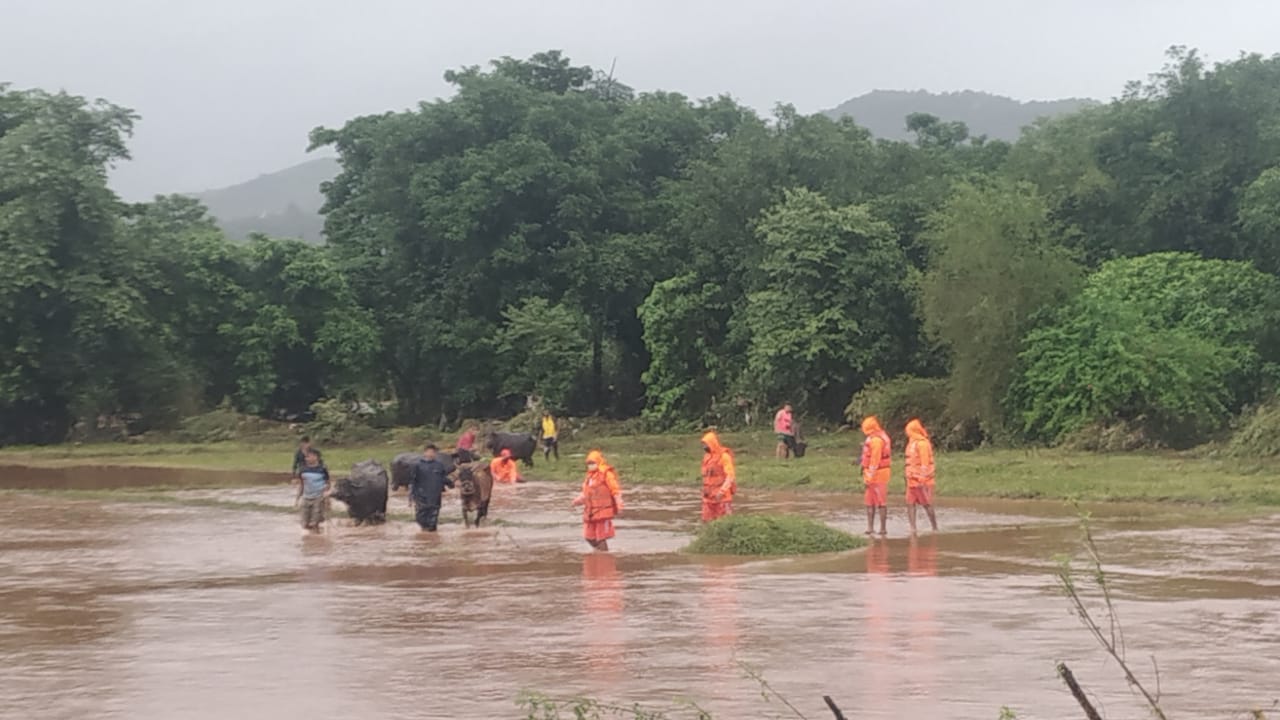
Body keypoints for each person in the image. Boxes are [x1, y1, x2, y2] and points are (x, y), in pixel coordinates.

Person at [572, 450, 623, 551]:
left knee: (601, 537)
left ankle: (604, 557)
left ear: (599, 462)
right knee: (588, 537)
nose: (590, 465)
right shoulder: (589, 477)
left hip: (603, 510)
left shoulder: (606, 474)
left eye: (592, 463)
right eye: (589, 463)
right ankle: (600, 553)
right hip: (591, 511)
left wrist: (619, 503)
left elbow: (615, 490)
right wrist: (576, 501)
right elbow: (586, 493)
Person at [408, 444, 454, 532]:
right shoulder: (417, 465)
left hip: (435, 495)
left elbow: (443, 477)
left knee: (433, 518)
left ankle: (432, 535)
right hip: (421, 495)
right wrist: (411, 496)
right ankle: (424, 531)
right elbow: (412, 481)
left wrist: (451, 484)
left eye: (433, 452)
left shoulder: (439, 465)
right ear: (424, 453)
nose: (431, 454)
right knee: (420, 517)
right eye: (429, 452)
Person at [904, 418, 939, 534]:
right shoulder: (912, 443)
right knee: (910, 503)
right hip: (911, 480)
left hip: (922, 480)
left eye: (909, 430)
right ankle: (913, 528)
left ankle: (934, 527)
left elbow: (925, 462)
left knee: (927, 504)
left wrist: (923, 477)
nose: (907, 433)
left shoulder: (923, 444)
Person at [860, 416, 891, 537]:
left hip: (879, 474)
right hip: (872, 473)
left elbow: (875, 460)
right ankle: (870, 528)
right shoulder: (875, 437)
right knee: (869, 501)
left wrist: (870, 475)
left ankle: (882, 528)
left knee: (881, 502)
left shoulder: (877, 440)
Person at [700, 431, 736, 522]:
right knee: (706, 522)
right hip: (708, 497)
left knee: (724, 522)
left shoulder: (724, 457)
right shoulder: (707, 457)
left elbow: (730, 476)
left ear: (712, 443)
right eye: (703, 444)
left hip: (722, 497)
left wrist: (722, 491)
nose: (704, 447)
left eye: (706, 444)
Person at [294, 448, 330, 533]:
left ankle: (317, 541)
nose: (306, 459)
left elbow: (328, 483)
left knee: (314, 522)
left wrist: (327, 498)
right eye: (306, 457)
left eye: (308, 457)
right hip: (306, 497)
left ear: (315, 457)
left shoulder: (322, 469)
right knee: (305, 524)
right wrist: (297, 499)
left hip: (319, 497)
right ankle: (311, 540)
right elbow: (301, 485)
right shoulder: (302, 470)